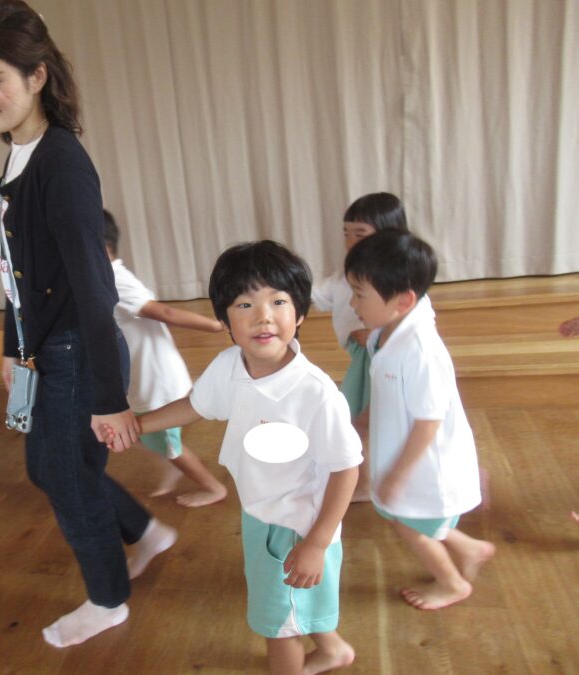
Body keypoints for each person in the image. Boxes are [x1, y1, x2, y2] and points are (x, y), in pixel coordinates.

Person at [0, 0, 175, 648]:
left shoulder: (60, 163)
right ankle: (146, 531)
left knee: (66, 476)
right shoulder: (20, 155)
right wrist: (13, 347)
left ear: (36, 76)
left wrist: (109, 399)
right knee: (50, 469)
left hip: (78, 353)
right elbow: (18, 270)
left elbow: (93, 288)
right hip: (48, 348)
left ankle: (109, 599)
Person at [109, 241, 362, 674]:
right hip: (260, 513)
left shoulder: (315, 393)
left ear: (300, 313)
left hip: (297, 527)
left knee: (277, 625)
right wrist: (135, 425)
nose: (263, 316)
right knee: (290, 604)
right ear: (226, 321)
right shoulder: (230, 365)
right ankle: (333, 649)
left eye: (278, 302)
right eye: (245, 304)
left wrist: (317, 543)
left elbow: (346, 469)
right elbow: (195, 405)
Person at [345, 229, 496, 611]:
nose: (352, 302)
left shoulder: (421, 351)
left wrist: (398, 475)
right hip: (402, 453)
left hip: (427, 464)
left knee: (409, 523)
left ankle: (452, 583)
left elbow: (429, 422)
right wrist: (365, 419)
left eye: (360, 294)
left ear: (404, 300)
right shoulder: (387, 333)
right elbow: (389, 392)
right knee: (413, 517)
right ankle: (471, 549)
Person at [103, 209, 227, 507]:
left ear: (101, 248)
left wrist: (215, 326)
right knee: (140, 431)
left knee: (166, 441)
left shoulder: (115, 280)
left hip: (156, 381)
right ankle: (172, 466)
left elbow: (164, 312)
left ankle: (213, 487)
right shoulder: (105, 279)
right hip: (142, 376)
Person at [311, 192, 408, 501]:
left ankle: (366, 483)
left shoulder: (396, 276)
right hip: (363, 357)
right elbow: (316, 293)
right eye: (346, 233)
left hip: (378, 358)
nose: (351, 240)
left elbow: (408, 315)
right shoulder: (345, 275)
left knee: (358, 420)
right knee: (356, 420)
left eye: (360, 233)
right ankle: (365, 481)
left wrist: (379, 335)